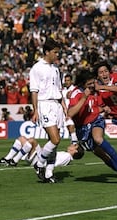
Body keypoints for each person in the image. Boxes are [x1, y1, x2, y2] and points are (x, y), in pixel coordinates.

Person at [68, 69, 117, 184]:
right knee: (102, 155)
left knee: (98, 138)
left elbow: (95, 108)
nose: (93, 85)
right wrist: (84, 97)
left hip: (95, 120)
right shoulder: (76, 93)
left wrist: (104, 109)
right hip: (82, 128)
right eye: (90, 84)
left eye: (93, 82)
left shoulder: (96, 91)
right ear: (83, 84)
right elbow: (70, 113)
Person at [29, 37, 66, 183]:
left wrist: (64, 106)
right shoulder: (36, 68)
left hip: (56, 105)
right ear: (47, 52)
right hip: (44, 105)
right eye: (55, 52)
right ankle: (39, 163)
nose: (57, 55)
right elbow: (34, 91)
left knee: (55, 140)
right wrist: (36, 110)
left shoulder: (56, 69)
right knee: (55, 139)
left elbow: (59, 89)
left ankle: (49, 173)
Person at [0, 136, 84, 173]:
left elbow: (54, 162)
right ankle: (7, 159)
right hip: (40, 158)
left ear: (75, 151)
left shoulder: (67, 156)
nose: (72, 144)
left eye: (75, 145)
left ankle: (14, 161)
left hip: (40, 160)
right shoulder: (66, 155)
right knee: (21, 139)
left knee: (32, 141)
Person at [62, 73, 78, 144]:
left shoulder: (74, 89)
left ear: (71, 81)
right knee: (69, 128)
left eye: (68, 80)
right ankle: (74, 142)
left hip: (73, 111)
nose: (67, 82)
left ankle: (75, 144)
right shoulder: (63, 90)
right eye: (65, 80)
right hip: (65, 112)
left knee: (71, 126)